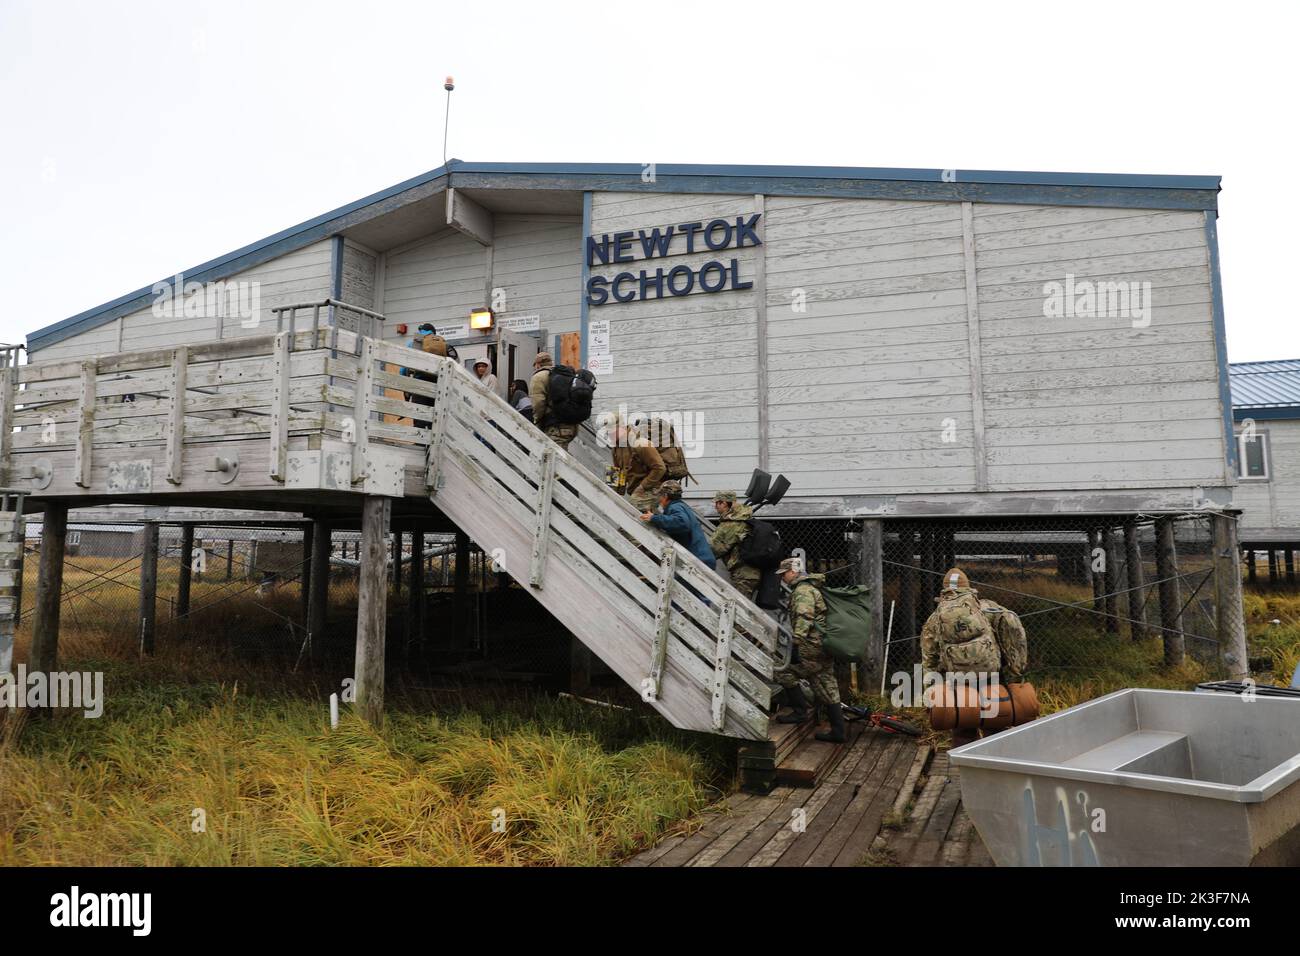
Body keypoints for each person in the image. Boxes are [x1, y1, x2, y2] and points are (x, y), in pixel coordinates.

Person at [920, 567, 1004, 748]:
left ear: (943, 592)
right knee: (995, 727)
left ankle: (965, 770)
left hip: (957, 681)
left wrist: (931, 692)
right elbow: (1009, 637)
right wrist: (1013, 674)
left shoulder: (934, 620)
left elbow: (929, 659)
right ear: (968, 588)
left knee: (963, 729)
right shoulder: (987, 608)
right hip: (991, 678)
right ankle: (998, 767)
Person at [773, 556, 844, 742]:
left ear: (793, 572)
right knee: (827, 684)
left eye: (784, 574)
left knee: (782, 671)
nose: (783, 578)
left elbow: (804, 617)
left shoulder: (802, 591)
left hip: (810, 646)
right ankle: (838, 731)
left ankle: (799, 712)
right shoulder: (812, 587)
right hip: (823, 645)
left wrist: (796, 643)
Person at [640, 480, 713, 565]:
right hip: (702, 558)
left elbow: (681, 522)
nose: (659, 500)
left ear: (666, 496)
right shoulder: (681, 506)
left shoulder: (675, 507)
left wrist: (654, 518)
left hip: (698, 561)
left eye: (660, 496)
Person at [708, 490, 762, 599]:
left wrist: (703, 555)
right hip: (748, 573)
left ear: (724, 503)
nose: (715, 507)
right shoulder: (741, 518)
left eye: (717, 503)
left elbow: (719, 549)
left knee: (739, 610)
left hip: (743, 574)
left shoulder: (733, 523)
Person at [612, 419, 667, 515]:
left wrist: (642, 487)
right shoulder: (615, 448)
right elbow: (618, 471)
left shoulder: (640, 443)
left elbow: (660, 468)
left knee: (630, 513)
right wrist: (614, 492)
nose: (609, 434)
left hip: (653, 489)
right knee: (617, 506)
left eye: (612, 431)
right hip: (635, 491)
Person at [529, 352, 578, 451]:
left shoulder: (538, 377)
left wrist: (536, 421)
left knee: (557, 461)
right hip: (571, 425)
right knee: (560, 456)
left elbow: (538, 403)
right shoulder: (563, 374)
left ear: (537, 364)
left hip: (555, 427)